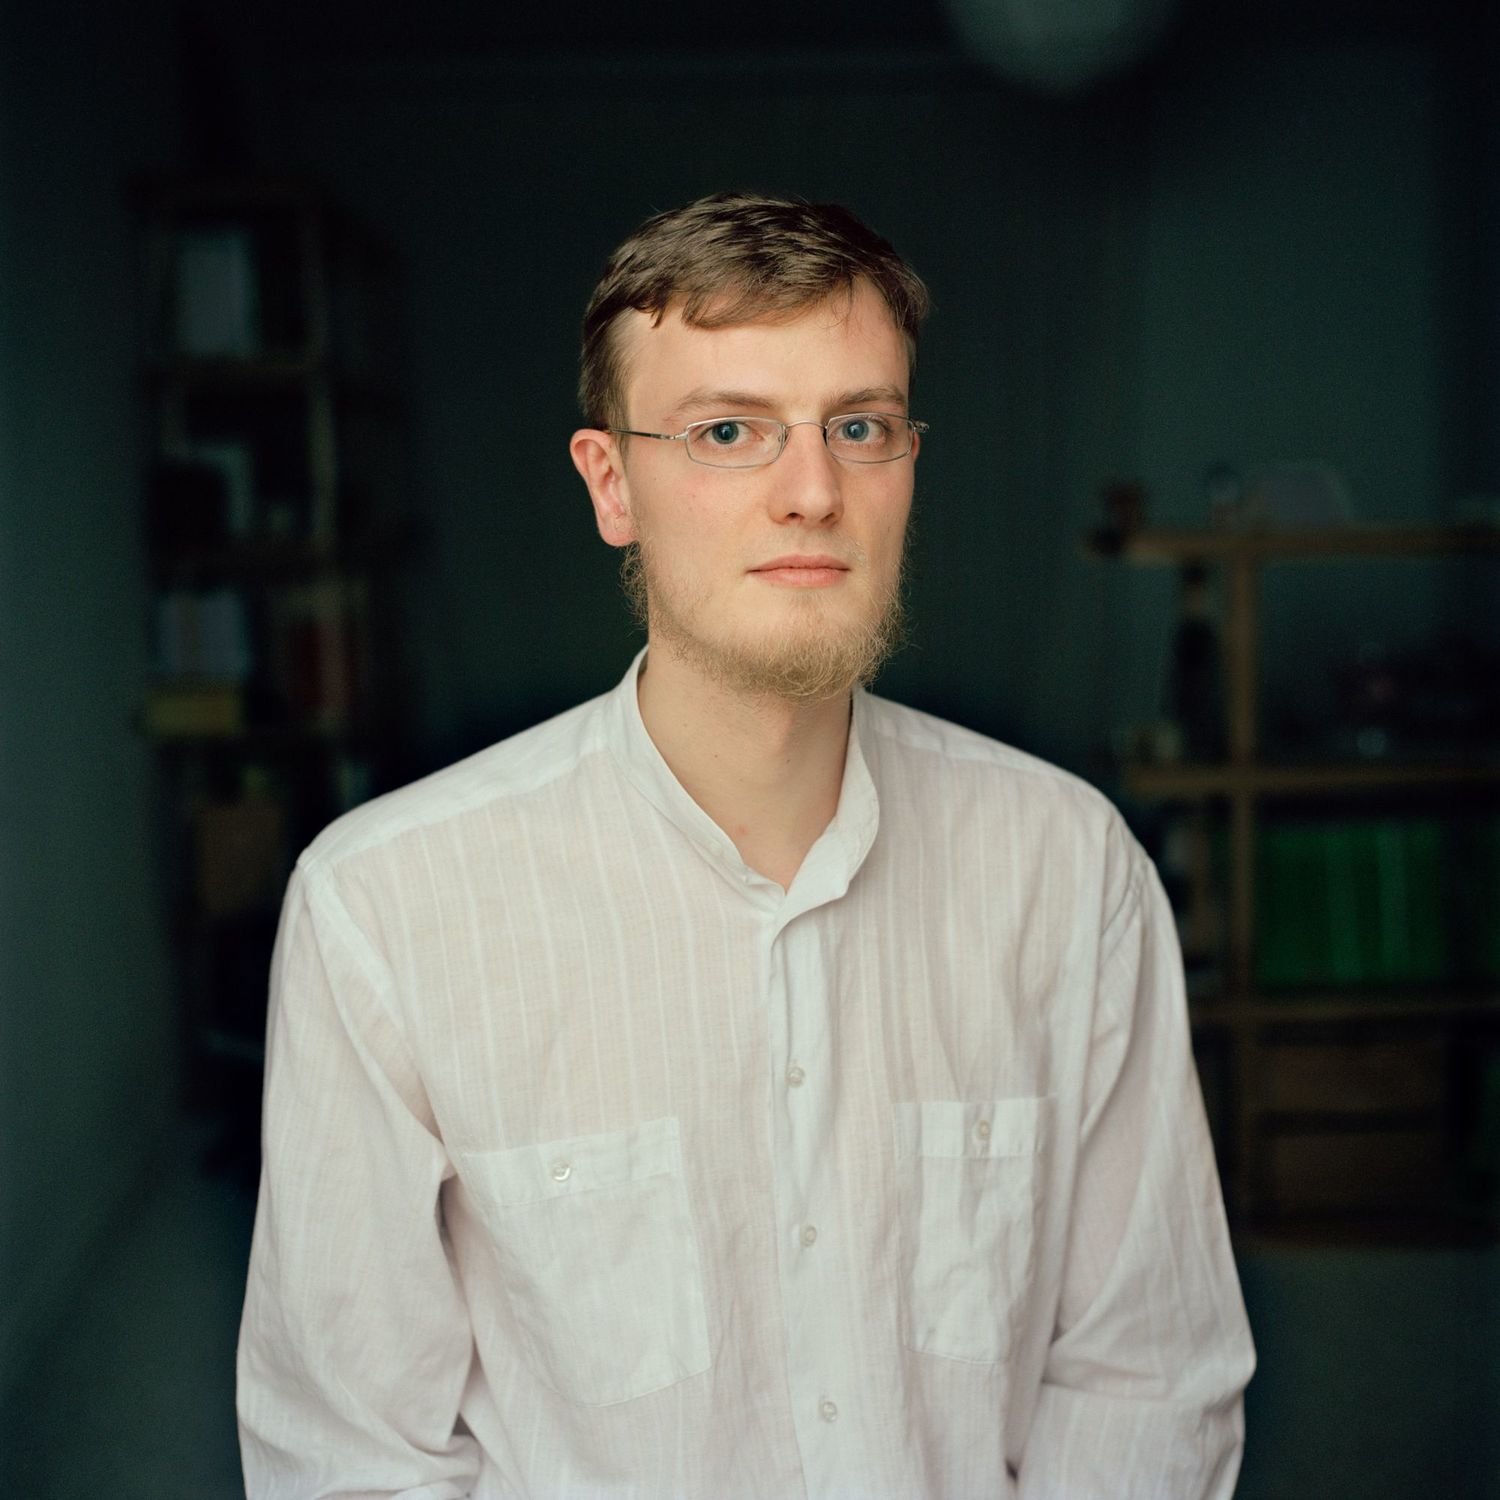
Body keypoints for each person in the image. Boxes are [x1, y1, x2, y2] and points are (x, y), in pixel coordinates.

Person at [237, 191, 1255, 1499]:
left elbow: (1146, 1378)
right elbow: (351, 1459)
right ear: (611, 484)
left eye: (860, 427)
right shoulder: (385, 905)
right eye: (729, 432)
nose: (813, 492)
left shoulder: (1070, 869)